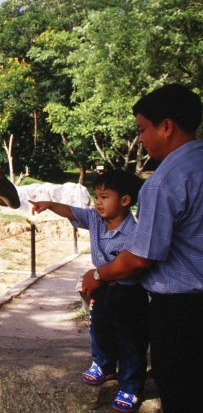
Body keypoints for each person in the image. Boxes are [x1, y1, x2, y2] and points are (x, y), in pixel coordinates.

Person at [81, 84, 203, 413]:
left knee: (183, 392)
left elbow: (138, 259)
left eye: (142, 129)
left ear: (166, 126)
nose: (141, 139)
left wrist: (97, 273)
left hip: (181, 312)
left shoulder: (164, 181)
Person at [30, 169, 147, 412]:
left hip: (128, 294)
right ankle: (103, 365)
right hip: (102, 289)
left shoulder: (136, 233)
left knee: (130, 339)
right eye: (96, 196)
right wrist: (49, 204)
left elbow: (132, 267)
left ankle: (131, 385)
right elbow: (73, 212)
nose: (98, 202)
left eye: (104, 197)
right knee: (99, 329)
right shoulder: (95, 219)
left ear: (125, 200)